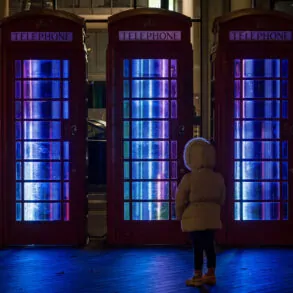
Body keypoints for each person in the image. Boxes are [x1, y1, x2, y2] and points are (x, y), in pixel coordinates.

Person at [175, 137, 226, 287]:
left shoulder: (189, 178)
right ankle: (211, 273)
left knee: (197, 246)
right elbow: (222, 198)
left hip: (194, 216)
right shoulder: (218, 177)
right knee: (210, 244)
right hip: (212, 216)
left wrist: (179, 214)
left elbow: (180, 199)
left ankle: (197, 275)